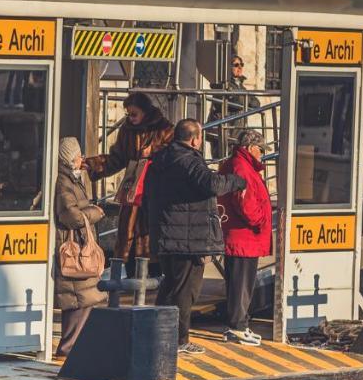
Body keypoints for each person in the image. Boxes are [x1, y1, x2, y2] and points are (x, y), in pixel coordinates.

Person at [145, 118, 246, 355]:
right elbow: (212, 184)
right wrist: (238, 181)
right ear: (195, 139)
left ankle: (157, 335)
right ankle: (179, 340)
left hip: (165, 234)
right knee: (186, 292)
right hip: (187, 240)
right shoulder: (189, 160)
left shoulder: (160, 160)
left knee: (169, 287)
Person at [84, 91, 174, 262]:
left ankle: (152, 272)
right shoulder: (127, 130)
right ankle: (128, 270)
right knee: (127, 236)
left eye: (134, 114)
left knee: (151, 235)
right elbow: (117, 158)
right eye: (128, 114)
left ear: (145, 112)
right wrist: (93, 164)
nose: (130, 118)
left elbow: (176, 157)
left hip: (155, 190)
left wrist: (154, 151)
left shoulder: (164, 129)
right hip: (132, 189)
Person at [218, 129, 272, 346]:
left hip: (241, 237)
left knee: (238, 283)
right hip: (244, 237)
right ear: (250, 148)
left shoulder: (238, 164)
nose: (262, 154)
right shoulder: (242, 167)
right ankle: (237, 327)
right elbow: (245, 203)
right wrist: (260, 220)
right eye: (261, 150)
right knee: (241, 284)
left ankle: (238, 325)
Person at [53, 137, 105, 358]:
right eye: (78, 155)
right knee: (78, 300)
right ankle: (68, 349)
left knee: (83, 300)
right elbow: (72, 217)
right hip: (74, 247)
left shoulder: (72, 179)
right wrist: (96, 212)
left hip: (79, 244)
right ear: (68, 159)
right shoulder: (64, 184)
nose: (81, 158)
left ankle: (73, 347)